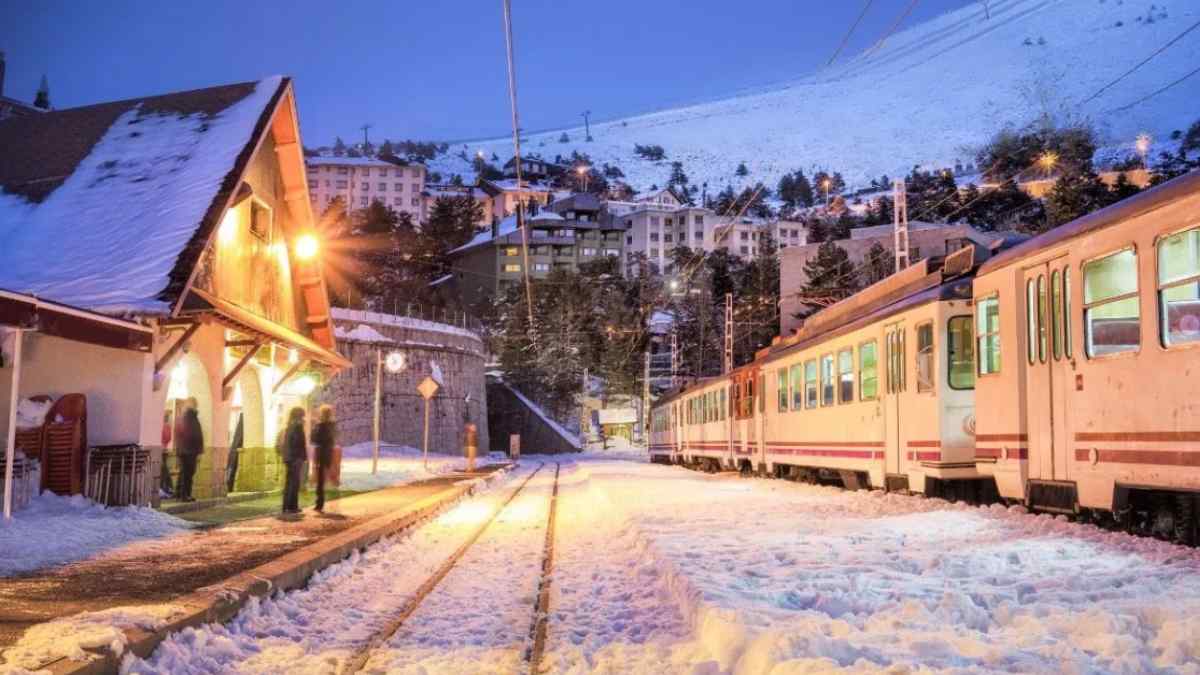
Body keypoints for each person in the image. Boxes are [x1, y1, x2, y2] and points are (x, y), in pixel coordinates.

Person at [310, 405, 337, 512]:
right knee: (324, 479)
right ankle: (324, 502)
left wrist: (315, 427)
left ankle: (319, 503)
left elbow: (314, 439)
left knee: (321, 480)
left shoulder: (321, 426)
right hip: (328, 453)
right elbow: (332, 439)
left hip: (322, 453)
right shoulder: (332, 426)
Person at [176, 399, 204, 502]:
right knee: (188, 473)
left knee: (185, 472)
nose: (197, 405)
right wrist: (198, 448)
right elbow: (193, 434)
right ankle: (185, 495)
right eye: (195, 403)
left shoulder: (187, 416)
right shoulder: (190, 416)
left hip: (186, 449)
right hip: (189, 450)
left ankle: (180, 493)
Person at [281, 407, 307, 514]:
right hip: (295, 457)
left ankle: (285, 506)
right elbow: (298, 443)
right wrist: (302, 456)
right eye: (303, 415)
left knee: (288, 482)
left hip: (288, 457)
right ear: (299, 416)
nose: (304, 418)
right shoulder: (298, 426)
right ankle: (293, 507)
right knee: (295, 483)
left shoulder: (289, 426)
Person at [226, 413, 244, 495]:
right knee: (231, 469)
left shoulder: (242, 420)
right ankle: (229, 486)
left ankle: (229, 486)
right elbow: (238, 438)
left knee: (231, 469)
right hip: (235, 451)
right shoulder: (243, 419)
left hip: (234, 450)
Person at [160, 411, 175, 497]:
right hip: (164, 450)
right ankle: (167, 488)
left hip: (162, 451)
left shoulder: (165, 426)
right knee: (164, 470)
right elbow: (168, 438)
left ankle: (166, 488)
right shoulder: (167, 427)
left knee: (164, 470)